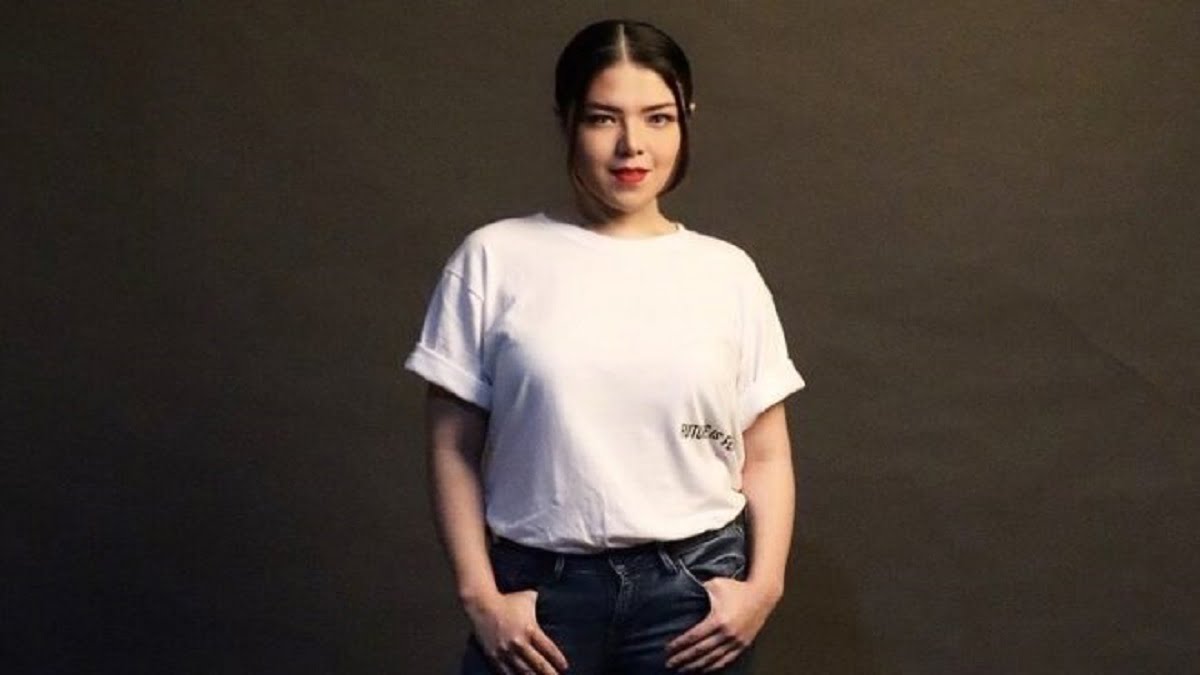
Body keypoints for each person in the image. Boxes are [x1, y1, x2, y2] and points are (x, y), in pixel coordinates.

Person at [405, 19, 805, 674]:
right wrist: (480, 596)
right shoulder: (493, 259)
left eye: (658, 118)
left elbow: (765, 452)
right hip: (539, 598)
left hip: (691, 597)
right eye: (602, 118)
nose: (632, 145)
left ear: (686, 118)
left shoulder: (727, 272)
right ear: (565, 120)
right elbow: (452, 445)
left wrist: (764, 588)